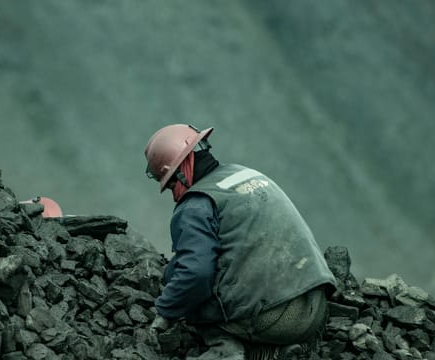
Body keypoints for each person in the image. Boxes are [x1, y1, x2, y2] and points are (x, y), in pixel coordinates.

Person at [143, 124, 337, 360]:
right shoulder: (244, 173)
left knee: (194, 295)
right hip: (316, 307)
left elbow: (195, 273)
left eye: (171, 183)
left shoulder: (195, 205)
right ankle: (272, 353)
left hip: (276, 319)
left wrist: (165, 311)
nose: (173, 191)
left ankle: (225, 352)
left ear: (182, 170)